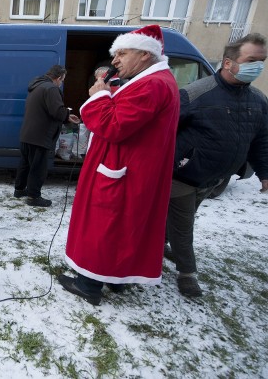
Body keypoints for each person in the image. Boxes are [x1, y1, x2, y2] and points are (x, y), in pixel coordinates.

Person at [58, 25, 180, 305]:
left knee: (106, 226)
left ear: (146, 54)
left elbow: (113, 125)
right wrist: (111, 91)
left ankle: (88, 285)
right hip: (128, 170)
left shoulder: (153, 85)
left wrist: (99, 96)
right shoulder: (154, 82)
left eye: (122, 53)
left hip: (122, 173)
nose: (114, 61)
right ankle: (116, 278)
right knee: (122, 229)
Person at [165, 33, 268, 297]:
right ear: (228, 62)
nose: (258, 66)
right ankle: (187, 274)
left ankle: (160, 244)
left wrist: (265, 172)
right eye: (251, 60)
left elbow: (261, 140)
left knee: (179, 221)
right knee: (184, 225)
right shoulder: (195, 93)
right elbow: (164, 131)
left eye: (262, 60)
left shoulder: (258, 101)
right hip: (182, 175)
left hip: (213, 179)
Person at [14, 65, 80, 207]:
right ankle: (33, 196)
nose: (61, 83)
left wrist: (66, 115)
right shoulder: (51, 88)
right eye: (62, 80)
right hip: (40, 135)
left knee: (25, 163)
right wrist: (67, 115)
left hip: (27, 133)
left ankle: (19, 190)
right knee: (38, 167)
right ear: (58, 78)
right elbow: (56, 111)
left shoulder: (37, 86)